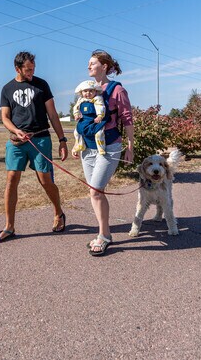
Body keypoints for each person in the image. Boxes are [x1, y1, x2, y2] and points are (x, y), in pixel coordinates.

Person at [0, 51, 69, 243]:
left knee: (45, 181)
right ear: (17, 68)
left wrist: (62, 140)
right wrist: (16, 131)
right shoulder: (7, 89)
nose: (31, 72)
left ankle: (59, 213)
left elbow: (52, 114)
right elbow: (5, 118)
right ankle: (9, 227)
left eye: (33, 68)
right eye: (28, 69)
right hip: (17, 142)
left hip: (40, 138)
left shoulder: (42, 85)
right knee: (11, 179)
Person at [73, 50, 135, 256]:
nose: (89, 67)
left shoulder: (117, 90)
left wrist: (130, 146)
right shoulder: (86, 90)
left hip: (109, 146)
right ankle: (104, 232)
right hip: (88, 147)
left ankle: (104, 235)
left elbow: (127, 119)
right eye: (88, 63)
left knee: (95, 190)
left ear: (104, 66)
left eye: (92, 63)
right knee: (95, 192)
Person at [72, 80, 107, 157]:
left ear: (95, 91)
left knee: (99, 133)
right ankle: (80, 144)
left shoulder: (97, 98)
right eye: (85, 91)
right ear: (81, 92)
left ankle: (101, 147)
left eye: (91, 91)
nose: (88, 93)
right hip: (84, 120)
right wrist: (76, 114)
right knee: (77, 132)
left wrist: (100, 116)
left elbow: (100, 106)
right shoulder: (80, 100)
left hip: (95, 120)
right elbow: (76, 108)